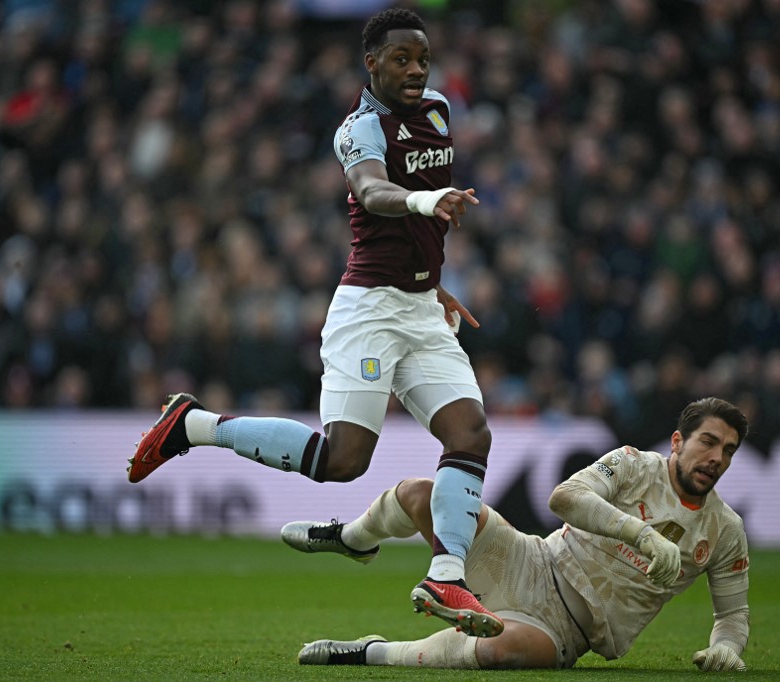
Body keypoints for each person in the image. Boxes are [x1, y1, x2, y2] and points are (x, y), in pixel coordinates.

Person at [127, 8, 502, 637]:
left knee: (471, 434)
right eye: (401, 59)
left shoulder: (438, 109)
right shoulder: (358, 129)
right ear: (371, 63)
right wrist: (424, 201)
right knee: (342, 461)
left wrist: (433, 284)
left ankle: (447, 575)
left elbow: (417, 220)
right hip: (368, 311)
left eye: (422, 59)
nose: (415, 71)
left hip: (418, 308)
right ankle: (193, 425)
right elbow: (376, 191)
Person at [288, 397, 752, 671]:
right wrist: (642, 535)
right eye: (708, 442)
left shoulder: (725, 530)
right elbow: (564, 498)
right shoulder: (632, 463)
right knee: (423, 493)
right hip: (530, 560)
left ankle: (371, 653)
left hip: (568, 629)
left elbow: (732, 615)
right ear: (677, 442)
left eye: (728, 451)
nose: (717, 457)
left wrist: (726, 648)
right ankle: (355, 536)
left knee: (501, 649)